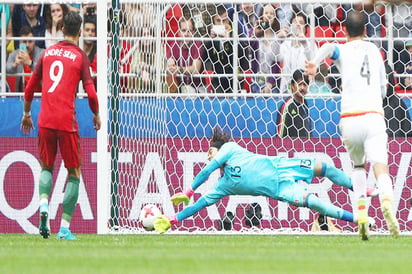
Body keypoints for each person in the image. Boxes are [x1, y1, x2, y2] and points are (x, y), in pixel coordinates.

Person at [153, 127, 377, 234]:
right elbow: (201, 205)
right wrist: (173, 219)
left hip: (282, 165)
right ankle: (358, 219)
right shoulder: (223, 185)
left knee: (325, 168)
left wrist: (189, 190)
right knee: (315, 203)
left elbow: (207, 170)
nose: (208, 155)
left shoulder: (230, 149)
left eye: (210, 150)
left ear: (218, 148)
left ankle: (360, 188)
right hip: (281, 189)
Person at [305, 11, 400, 240]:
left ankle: (362, 213)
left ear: (345, 31)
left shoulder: (343, 50)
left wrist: (314, 63)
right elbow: (384, 90)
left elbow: (328, 46)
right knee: (380, 165)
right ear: (366, 31)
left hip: (350, 117)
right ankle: (387, 201)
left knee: (358, 167)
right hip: (373, 115)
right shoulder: (375, 51)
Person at [20, 11, 101, 240]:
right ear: (79, 31)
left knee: (46, 167)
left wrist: (26, 114)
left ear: (63, 29)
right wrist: (96, 115)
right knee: (73, 173)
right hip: (66, 122)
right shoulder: (80, 57)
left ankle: (44, 204)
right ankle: (64, 228)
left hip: (45, 120)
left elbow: (29, 89)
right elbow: (91, 93)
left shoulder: (47, 54)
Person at [202, 5, 249, 93]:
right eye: (218, 21)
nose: (221, 24)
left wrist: (229, 40)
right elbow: (204, 59)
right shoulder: (211, 38)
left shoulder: (235, 33)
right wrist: (210, 40)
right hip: (217, 80)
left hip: (235, 80)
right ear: (213, 22)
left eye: (224, 20)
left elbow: (242, 57)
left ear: (228, 20)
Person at [166, 17, 205, 93]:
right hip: (181, 89)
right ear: (179, 32)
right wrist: (171, 68)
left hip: (198, 88)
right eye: (183, 31)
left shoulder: (197, 45)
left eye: (189, 31)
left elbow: (195, 69)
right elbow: (170, 64)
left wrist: (179, 69)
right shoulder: (174, 45)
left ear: (193, 32)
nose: (186, 34)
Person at [6, 26, 44, 92]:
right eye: (24, 42)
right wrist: (14, 64)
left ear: (34, 41)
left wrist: (30, 63)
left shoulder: (42, 53)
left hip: (39, 95)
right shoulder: (15, 54)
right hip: (21, 95)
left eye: (30, 41)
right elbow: (6, 69)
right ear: (19, 42)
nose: (27, 45)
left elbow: (45, 71)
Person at [277, 69, 312, 138]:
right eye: (299, 84)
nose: (302, 88)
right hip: (291, 147)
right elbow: (279, 136)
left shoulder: (305, 103)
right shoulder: (287, 106)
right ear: (292, 86)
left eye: (305, 84)